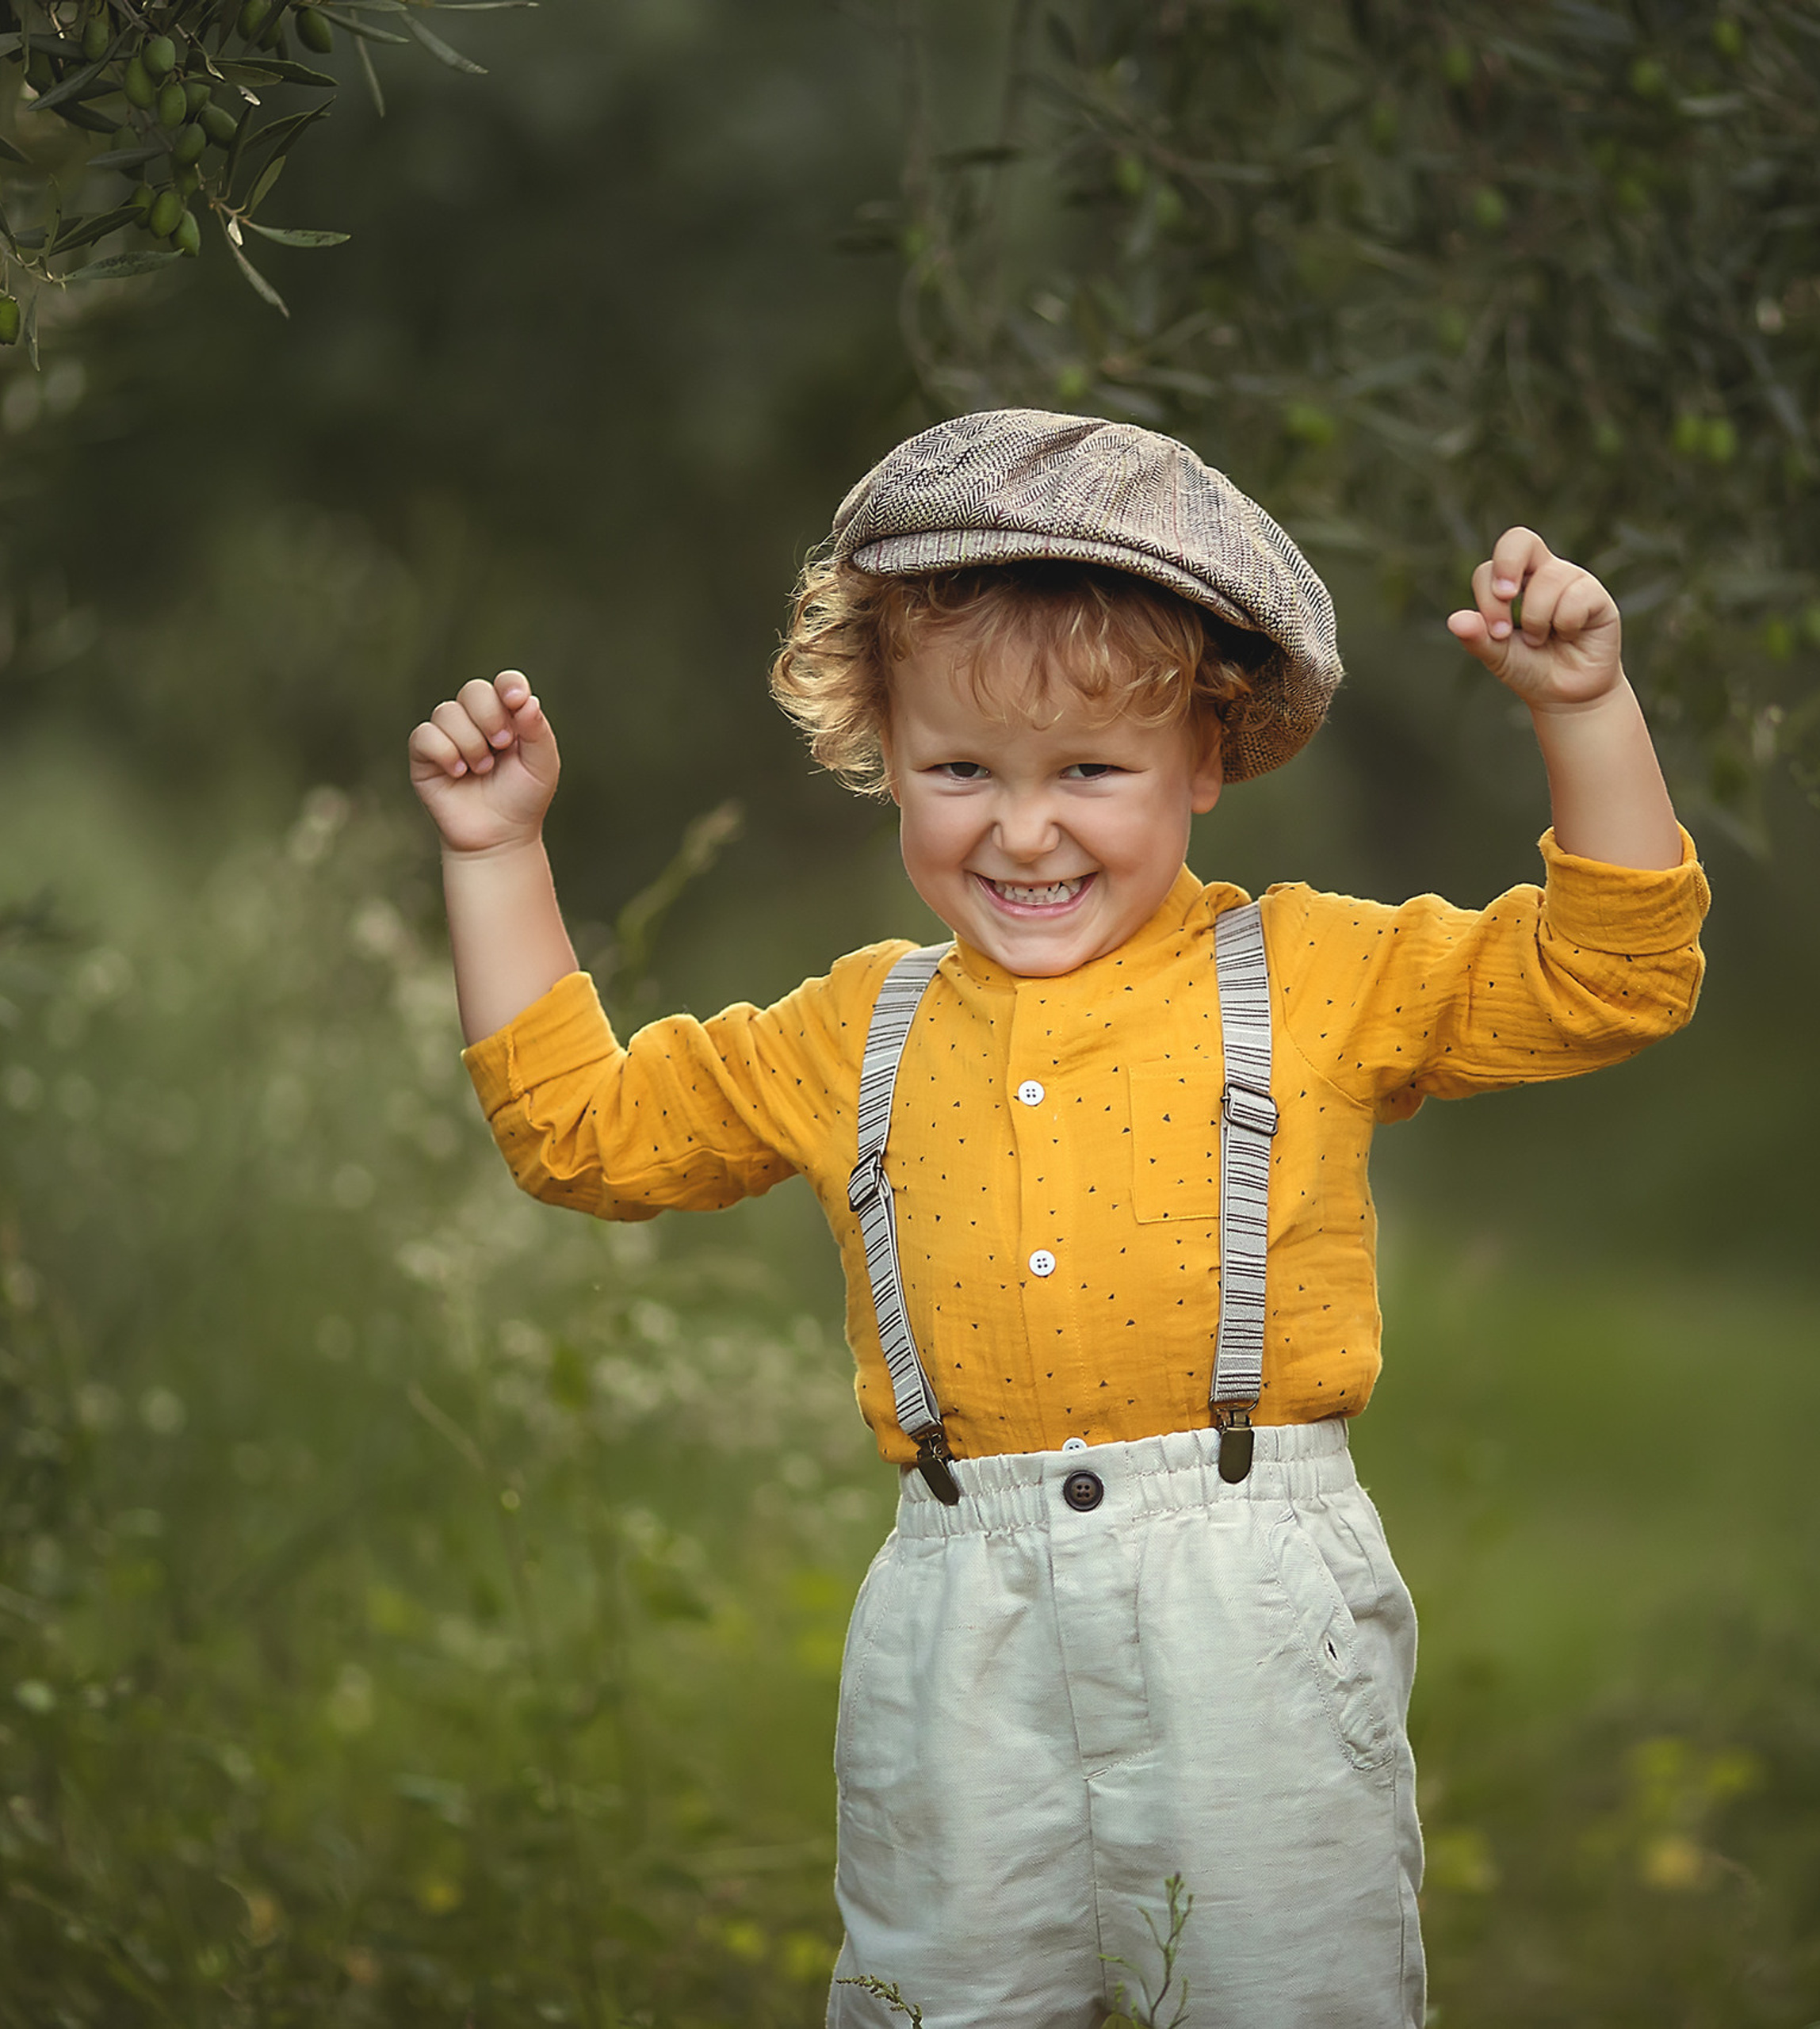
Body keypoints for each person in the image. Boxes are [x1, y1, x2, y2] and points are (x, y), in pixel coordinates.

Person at [408, 411, 1708, 2029]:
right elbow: (581, 1134)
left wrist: (1580, 708)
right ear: (884, 752)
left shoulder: (1307, 973)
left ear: (1205, 757)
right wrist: (494, 851)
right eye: (960, 771)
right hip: (958, 1613)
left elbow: (1614, 972)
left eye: (1089, 772)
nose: (1021, 831)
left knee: (1286, 1996)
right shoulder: (851, 1029)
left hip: (1247, 1592)